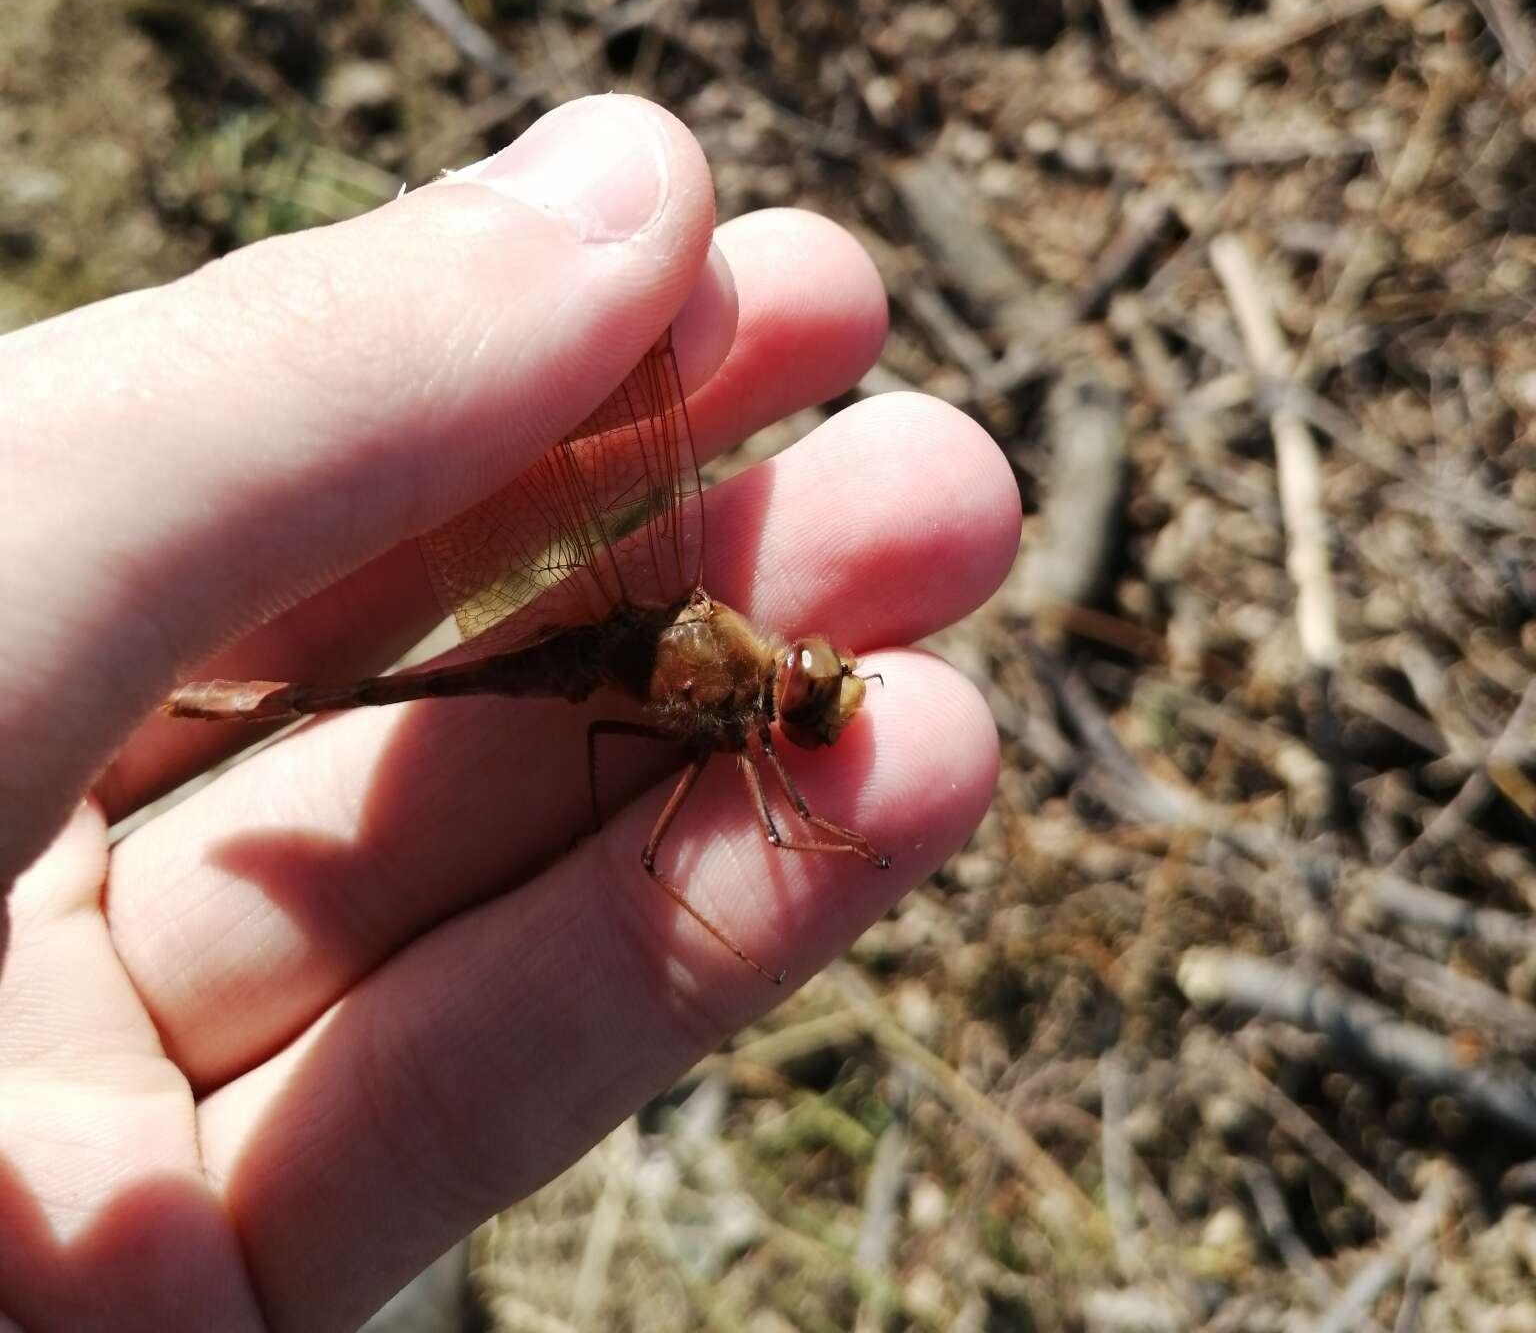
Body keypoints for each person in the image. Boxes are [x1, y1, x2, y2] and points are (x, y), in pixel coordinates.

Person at [0, 96, 1019, 1331]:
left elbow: (721, 788)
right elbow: (748, 824)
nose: (816, 680)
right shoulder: (732, 692)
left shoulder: (729, 675)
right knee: (629, 821)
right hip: (573, 664)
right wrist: (823, 846)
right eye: (812, 680)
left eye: (811, 681)